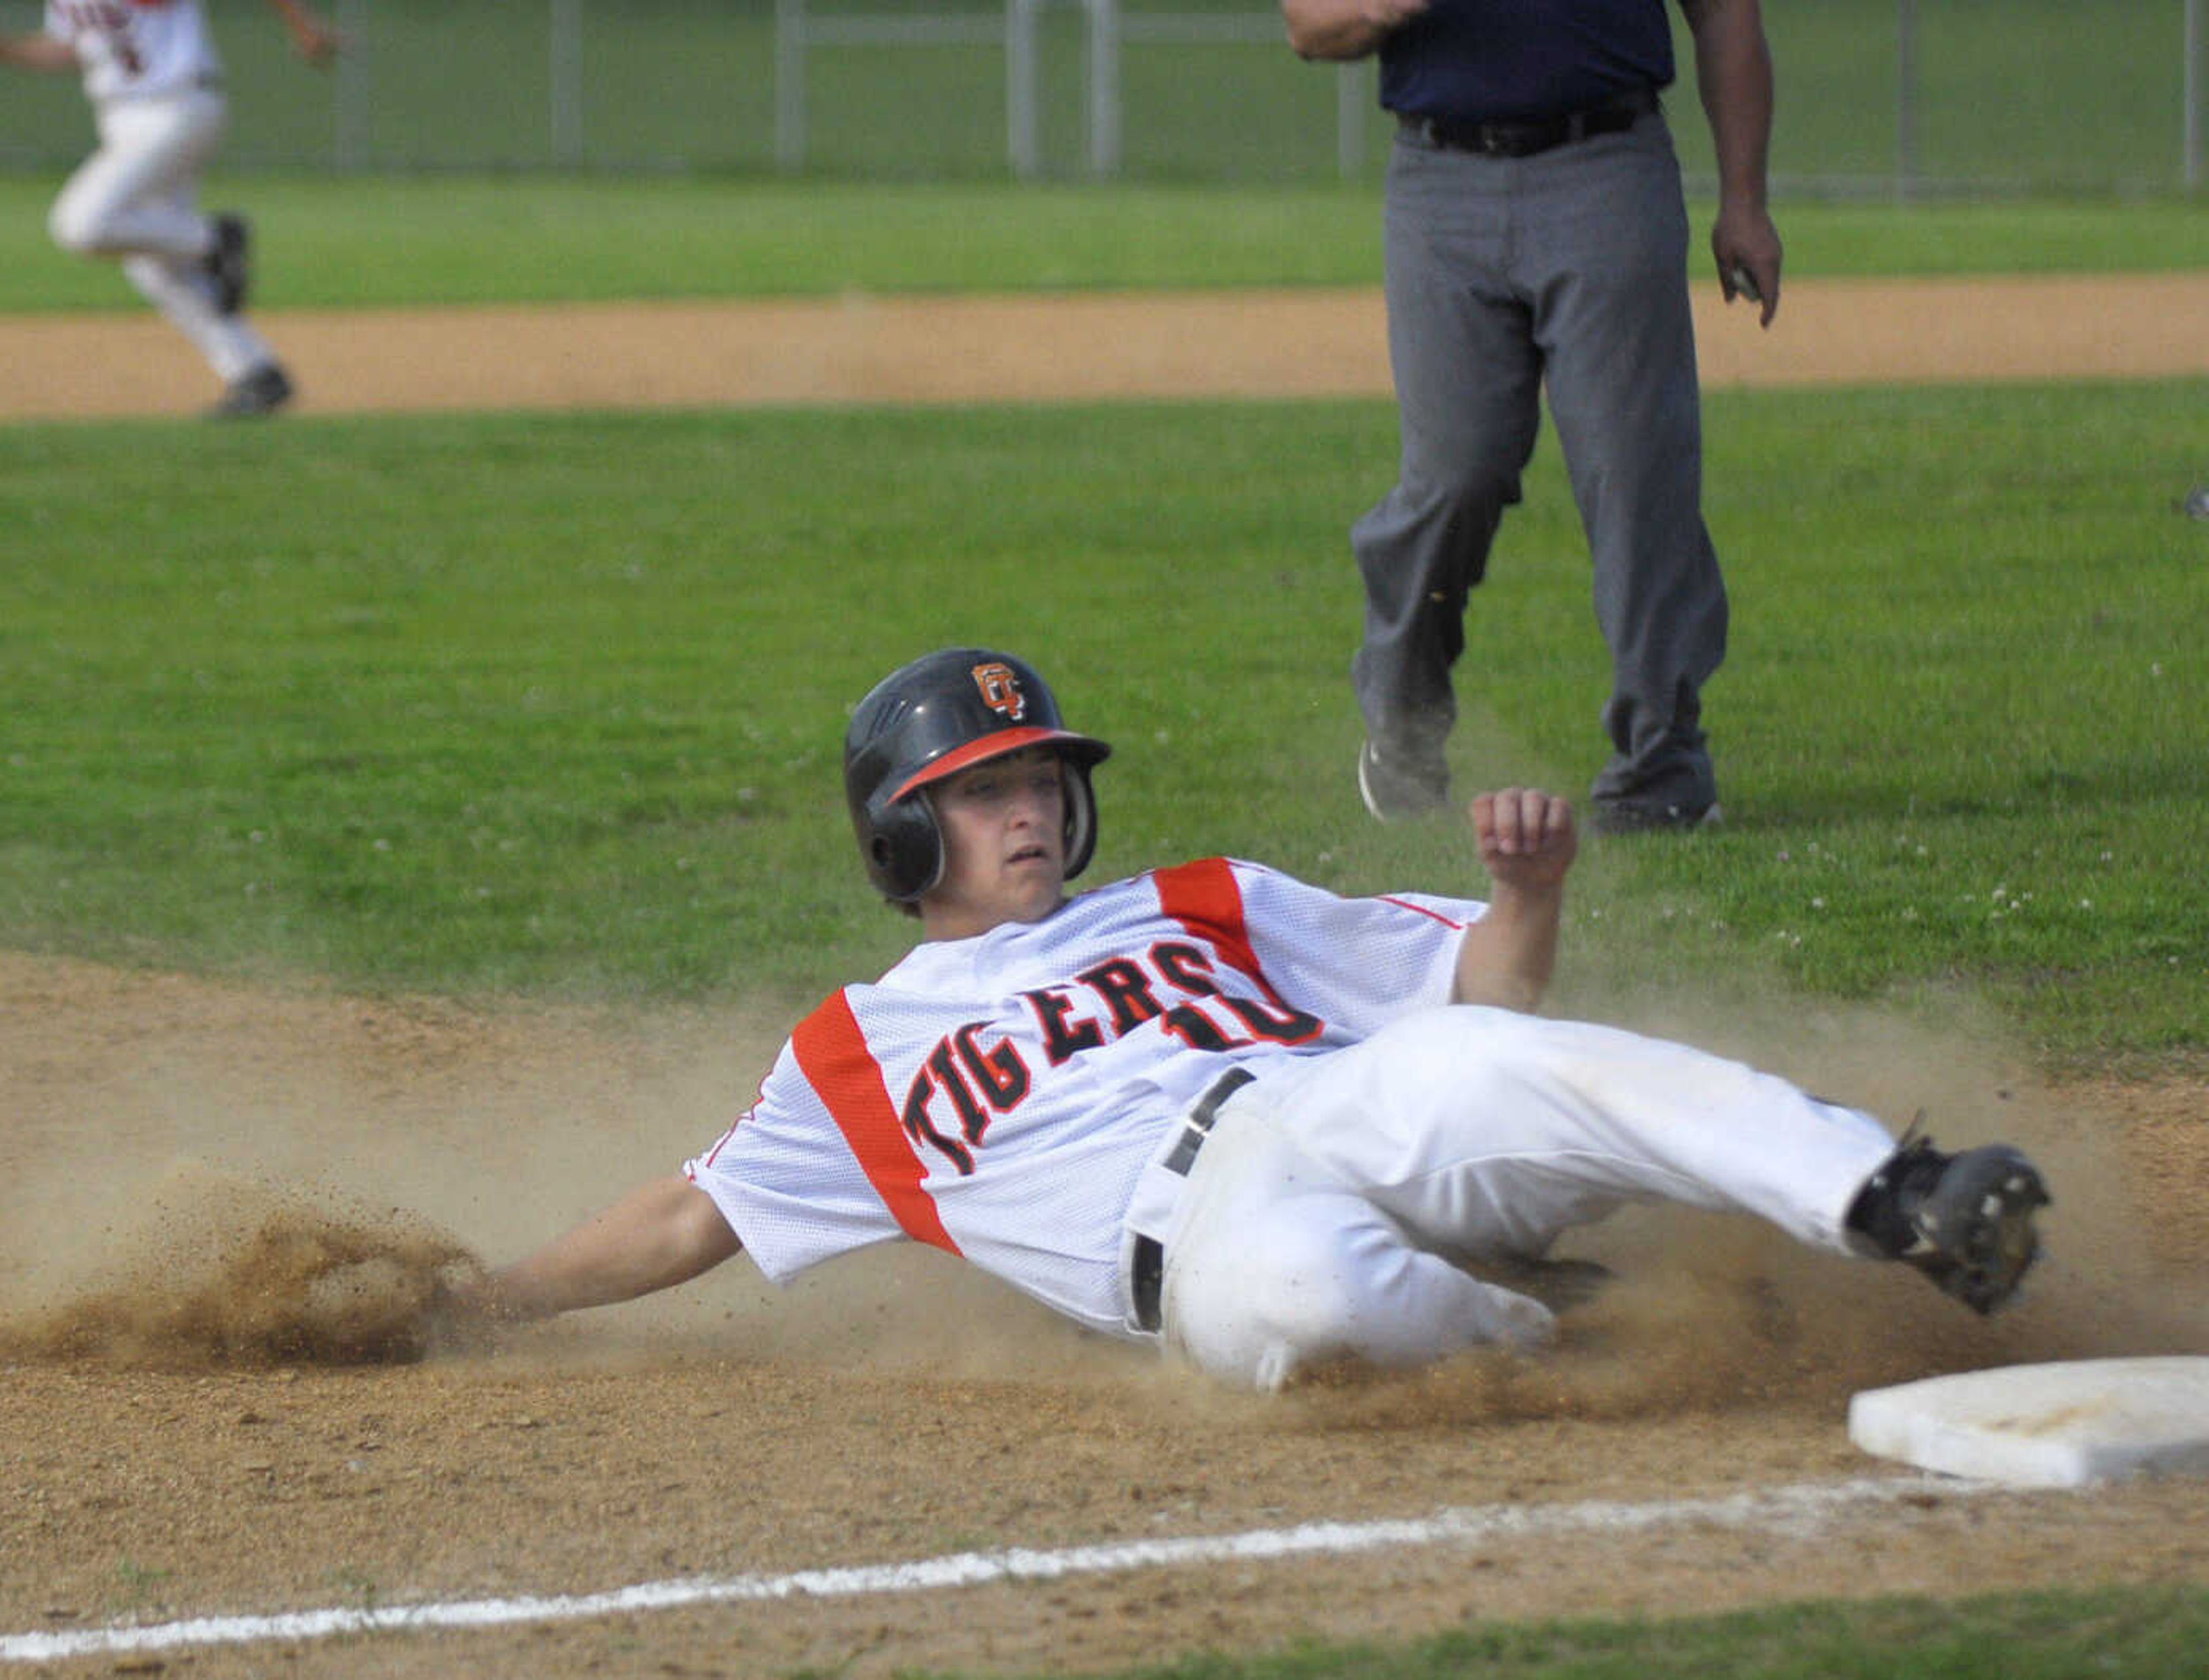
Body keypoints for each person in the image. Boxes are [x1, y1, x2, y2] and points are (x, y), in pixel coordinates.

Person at [437, 647, 2048, 1392]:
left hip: (1342, 1097)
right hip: (1197, 1231)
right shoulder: (851, 1052)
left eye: (1039, 783)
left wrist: (1527, 898)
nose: (1024, 812)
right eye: (979, 791)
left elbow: (1480, 1001)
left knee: (1499, 1063)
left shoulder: (1200, 896)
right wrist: (490, 1300)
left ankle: (1896, 1197)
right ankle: (1589, 1328)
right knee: (1305, 1296)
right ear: (901, 836)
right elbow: (680, 1215)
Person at [1280, 0, 1783, 833]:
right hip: (1440, 178)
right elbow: (1309, 24)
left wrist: (1746, 201)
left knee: (1636, 474)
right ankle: (1404, 721)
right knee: (1454, 473)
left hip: (1607, 166)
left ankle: (1661, 764)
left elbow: (1726, 14)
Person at [0, 0, 337, 419]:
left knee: (81, 225)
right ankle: (257, 373)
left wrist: (303, 24)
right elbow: (75, 48)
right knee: (153, 264)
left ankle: (215, 238)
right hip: (127, 119)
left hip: (173, 106)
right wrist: (2, 50)